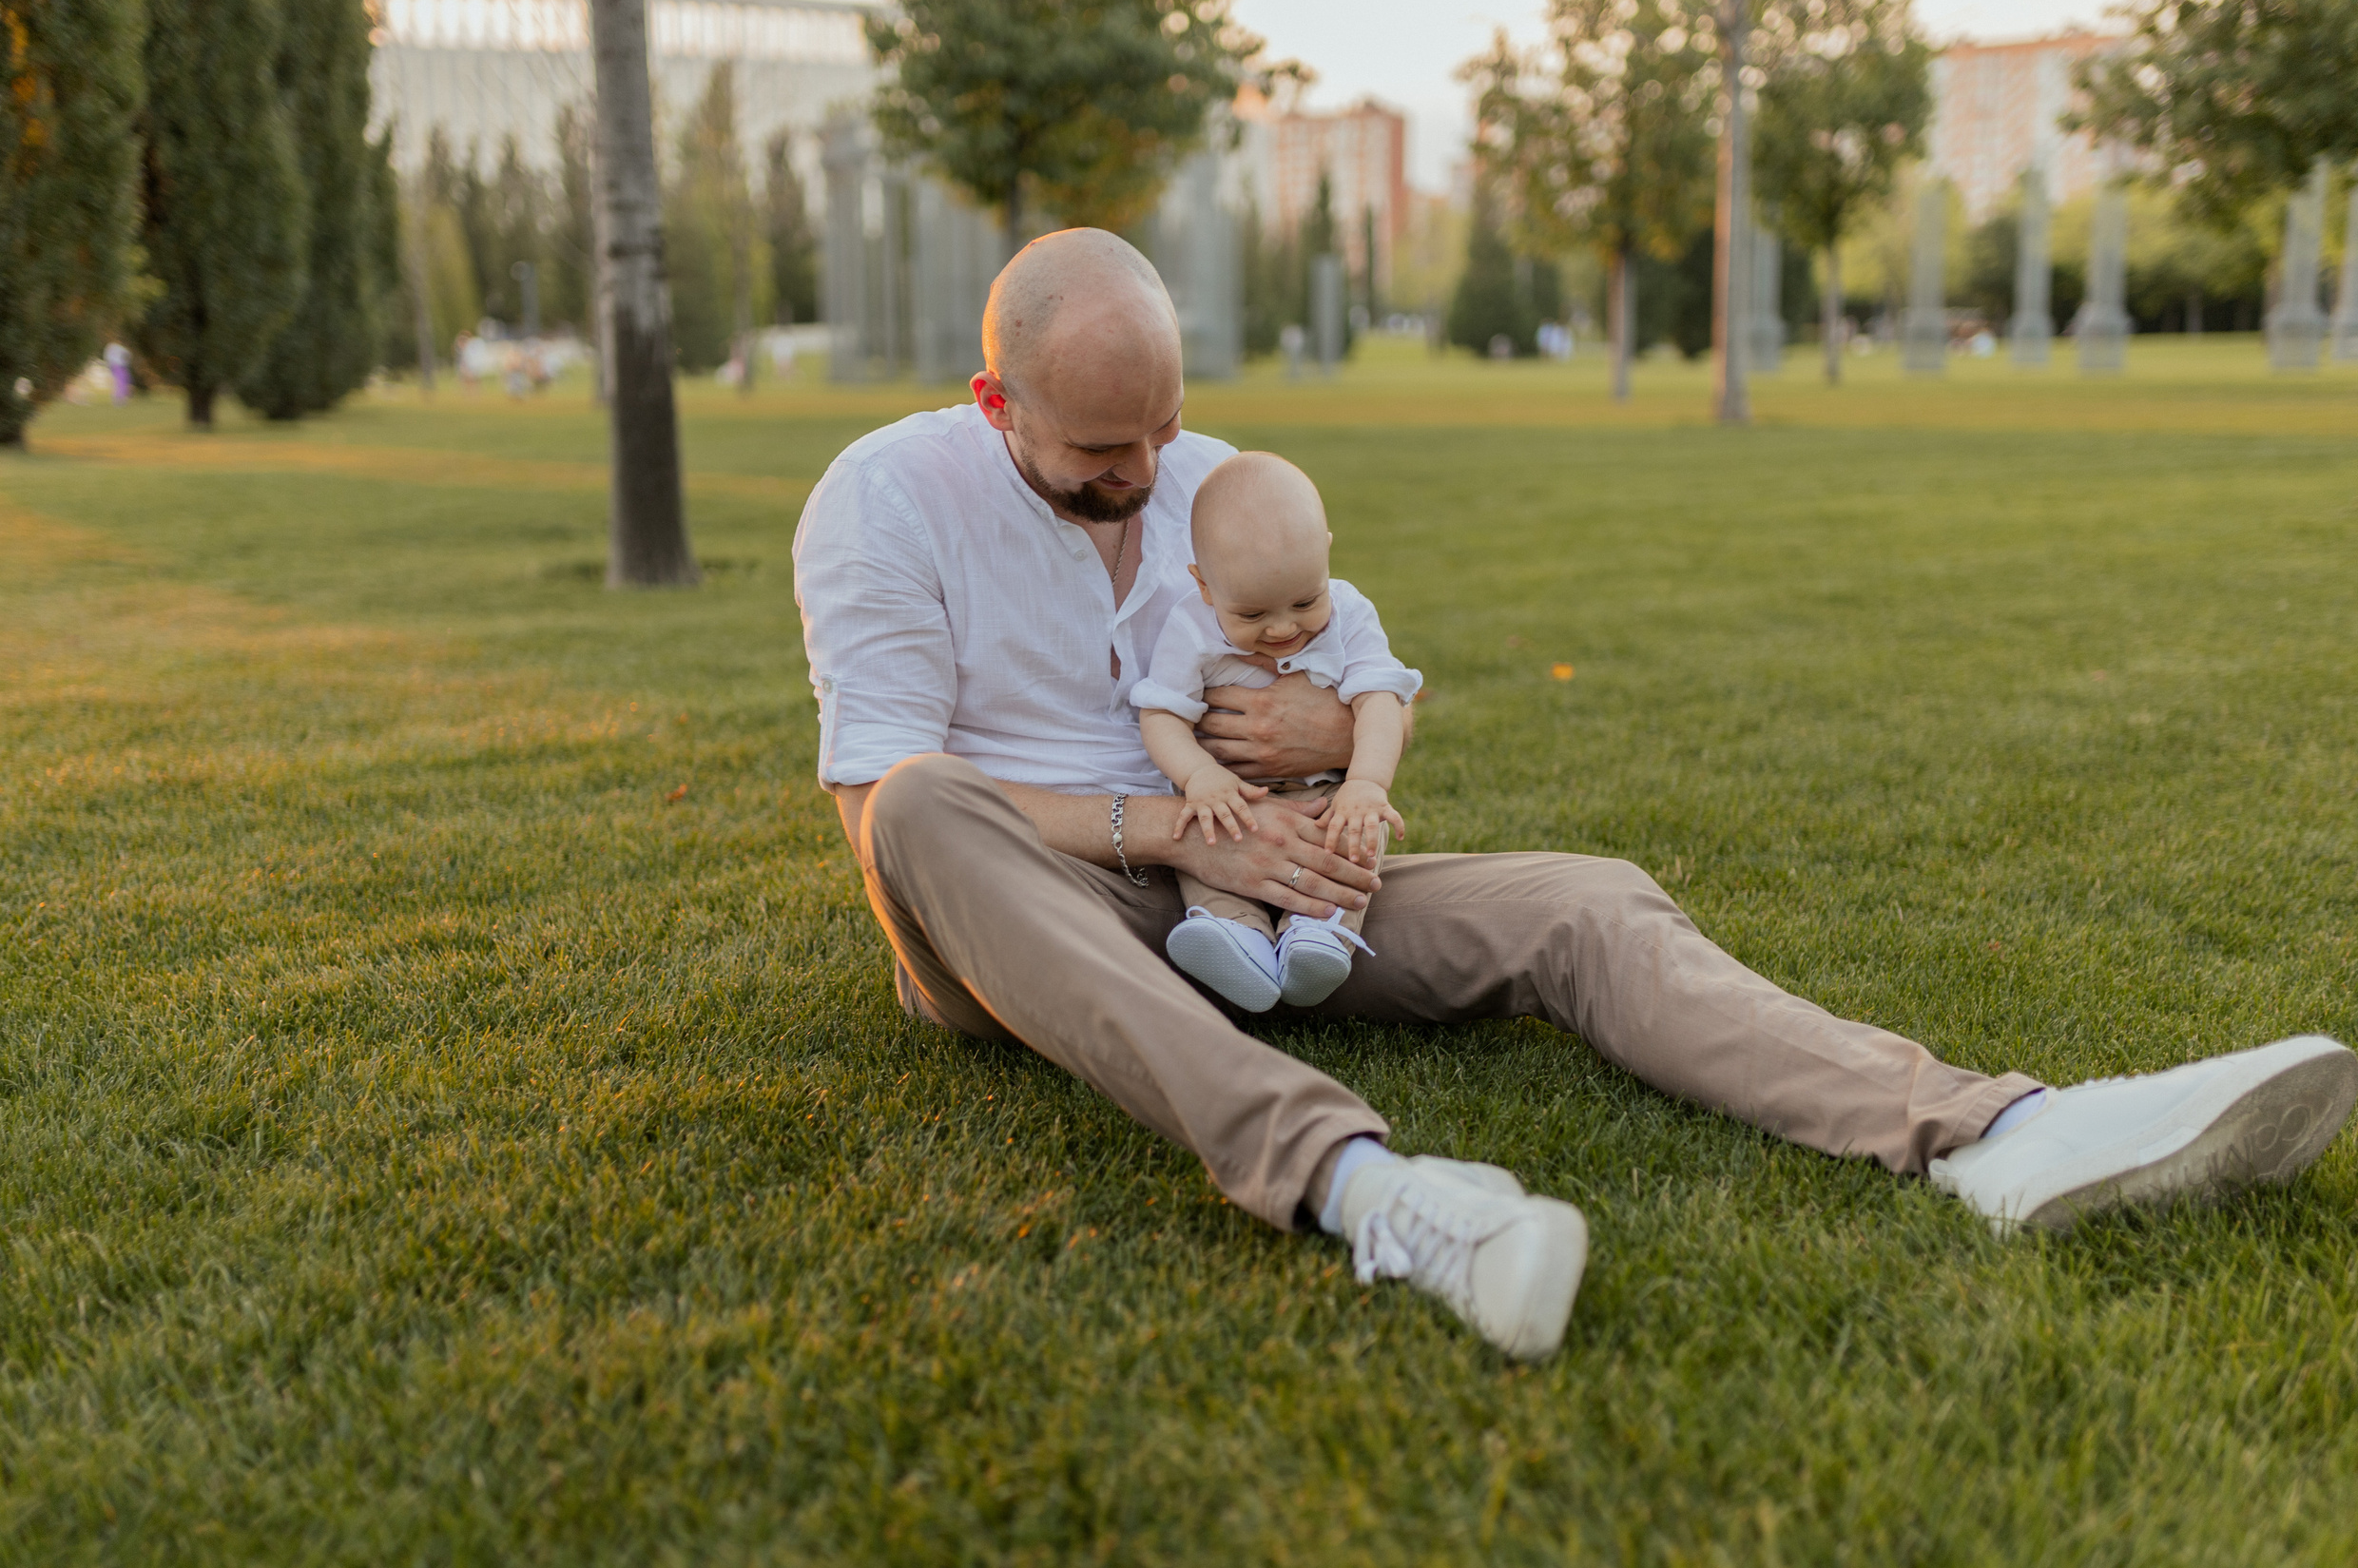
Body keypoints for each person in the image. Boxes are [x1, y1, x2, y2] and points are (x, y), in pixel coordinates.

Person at [791, 228, 2357, 1363]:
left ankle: (1994, 1132)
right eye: (1098, 454)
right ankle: (1368, 1188)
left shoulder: (1210, 480)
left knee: (1586, 897)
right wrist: (1173, 824)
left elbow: (1358, 676)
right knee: (931, 800)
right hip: (1032, 900)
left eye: (1163, 432)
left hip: (1259, 886)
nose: (1146, 476)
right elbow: (880, 809)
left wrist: (1315, 747)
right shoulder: (885, 496)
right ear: (999, 406)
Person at [1131, 452, 1418, 1014]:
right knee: (1206, 840)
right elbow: (1162, 715)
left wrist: (1366, 783)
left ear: (1326, 554)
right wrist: (1200, 775)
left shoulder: (1351, 613)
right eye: (1253, 614)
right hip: (1234, 796)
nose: (1284, 628)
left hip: (1328, 793)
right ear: (1205, 586)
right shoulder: (1190, 626)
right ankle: (1233, 935)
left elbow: (1380, 699)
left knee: (1354, 835)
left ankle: (1321, 932)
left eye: (1306, 601)